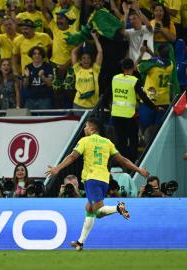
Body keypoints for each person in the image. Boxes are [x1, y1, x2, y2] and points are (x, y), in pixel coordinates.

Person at [46, 117, 149, 251]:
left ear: (92, 129)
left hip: (92, 179)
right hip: (104, 180)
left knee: (99, 211)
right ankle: (80, 242)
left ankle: (119, 208)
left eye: (86, 126)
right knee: (90, 209)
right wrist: (139, 170)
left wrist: (57, 168)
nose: (84, 129)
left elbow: (72, 156)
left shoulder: (85, 141)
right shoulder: (107, 142)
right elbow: (123, 160)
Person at [111, 58, 158, 163]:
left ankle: (120, 164)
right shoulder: (134, 81)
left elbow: (109, 94)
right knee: (133, 139)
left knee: (120, 140)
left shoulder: (115, 78)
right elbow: (144, 98)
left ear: (122, 68)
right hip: (129, 116)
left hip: (116, 115)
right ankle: (131, 164)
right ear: (133, 68)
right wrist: (155, 107)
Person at [71, 31, 102, 109]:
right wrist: (84, 41)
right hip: (78, 104)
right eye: (83, 58)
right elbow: (73, 52)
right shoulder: (77, 69)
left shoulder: (95, 69)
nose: (86, 60)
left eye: (88, 58)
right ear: (80, 60)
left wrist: (94, 37)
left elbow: (100, 52)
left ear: (91, 60)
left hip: (93, 105)